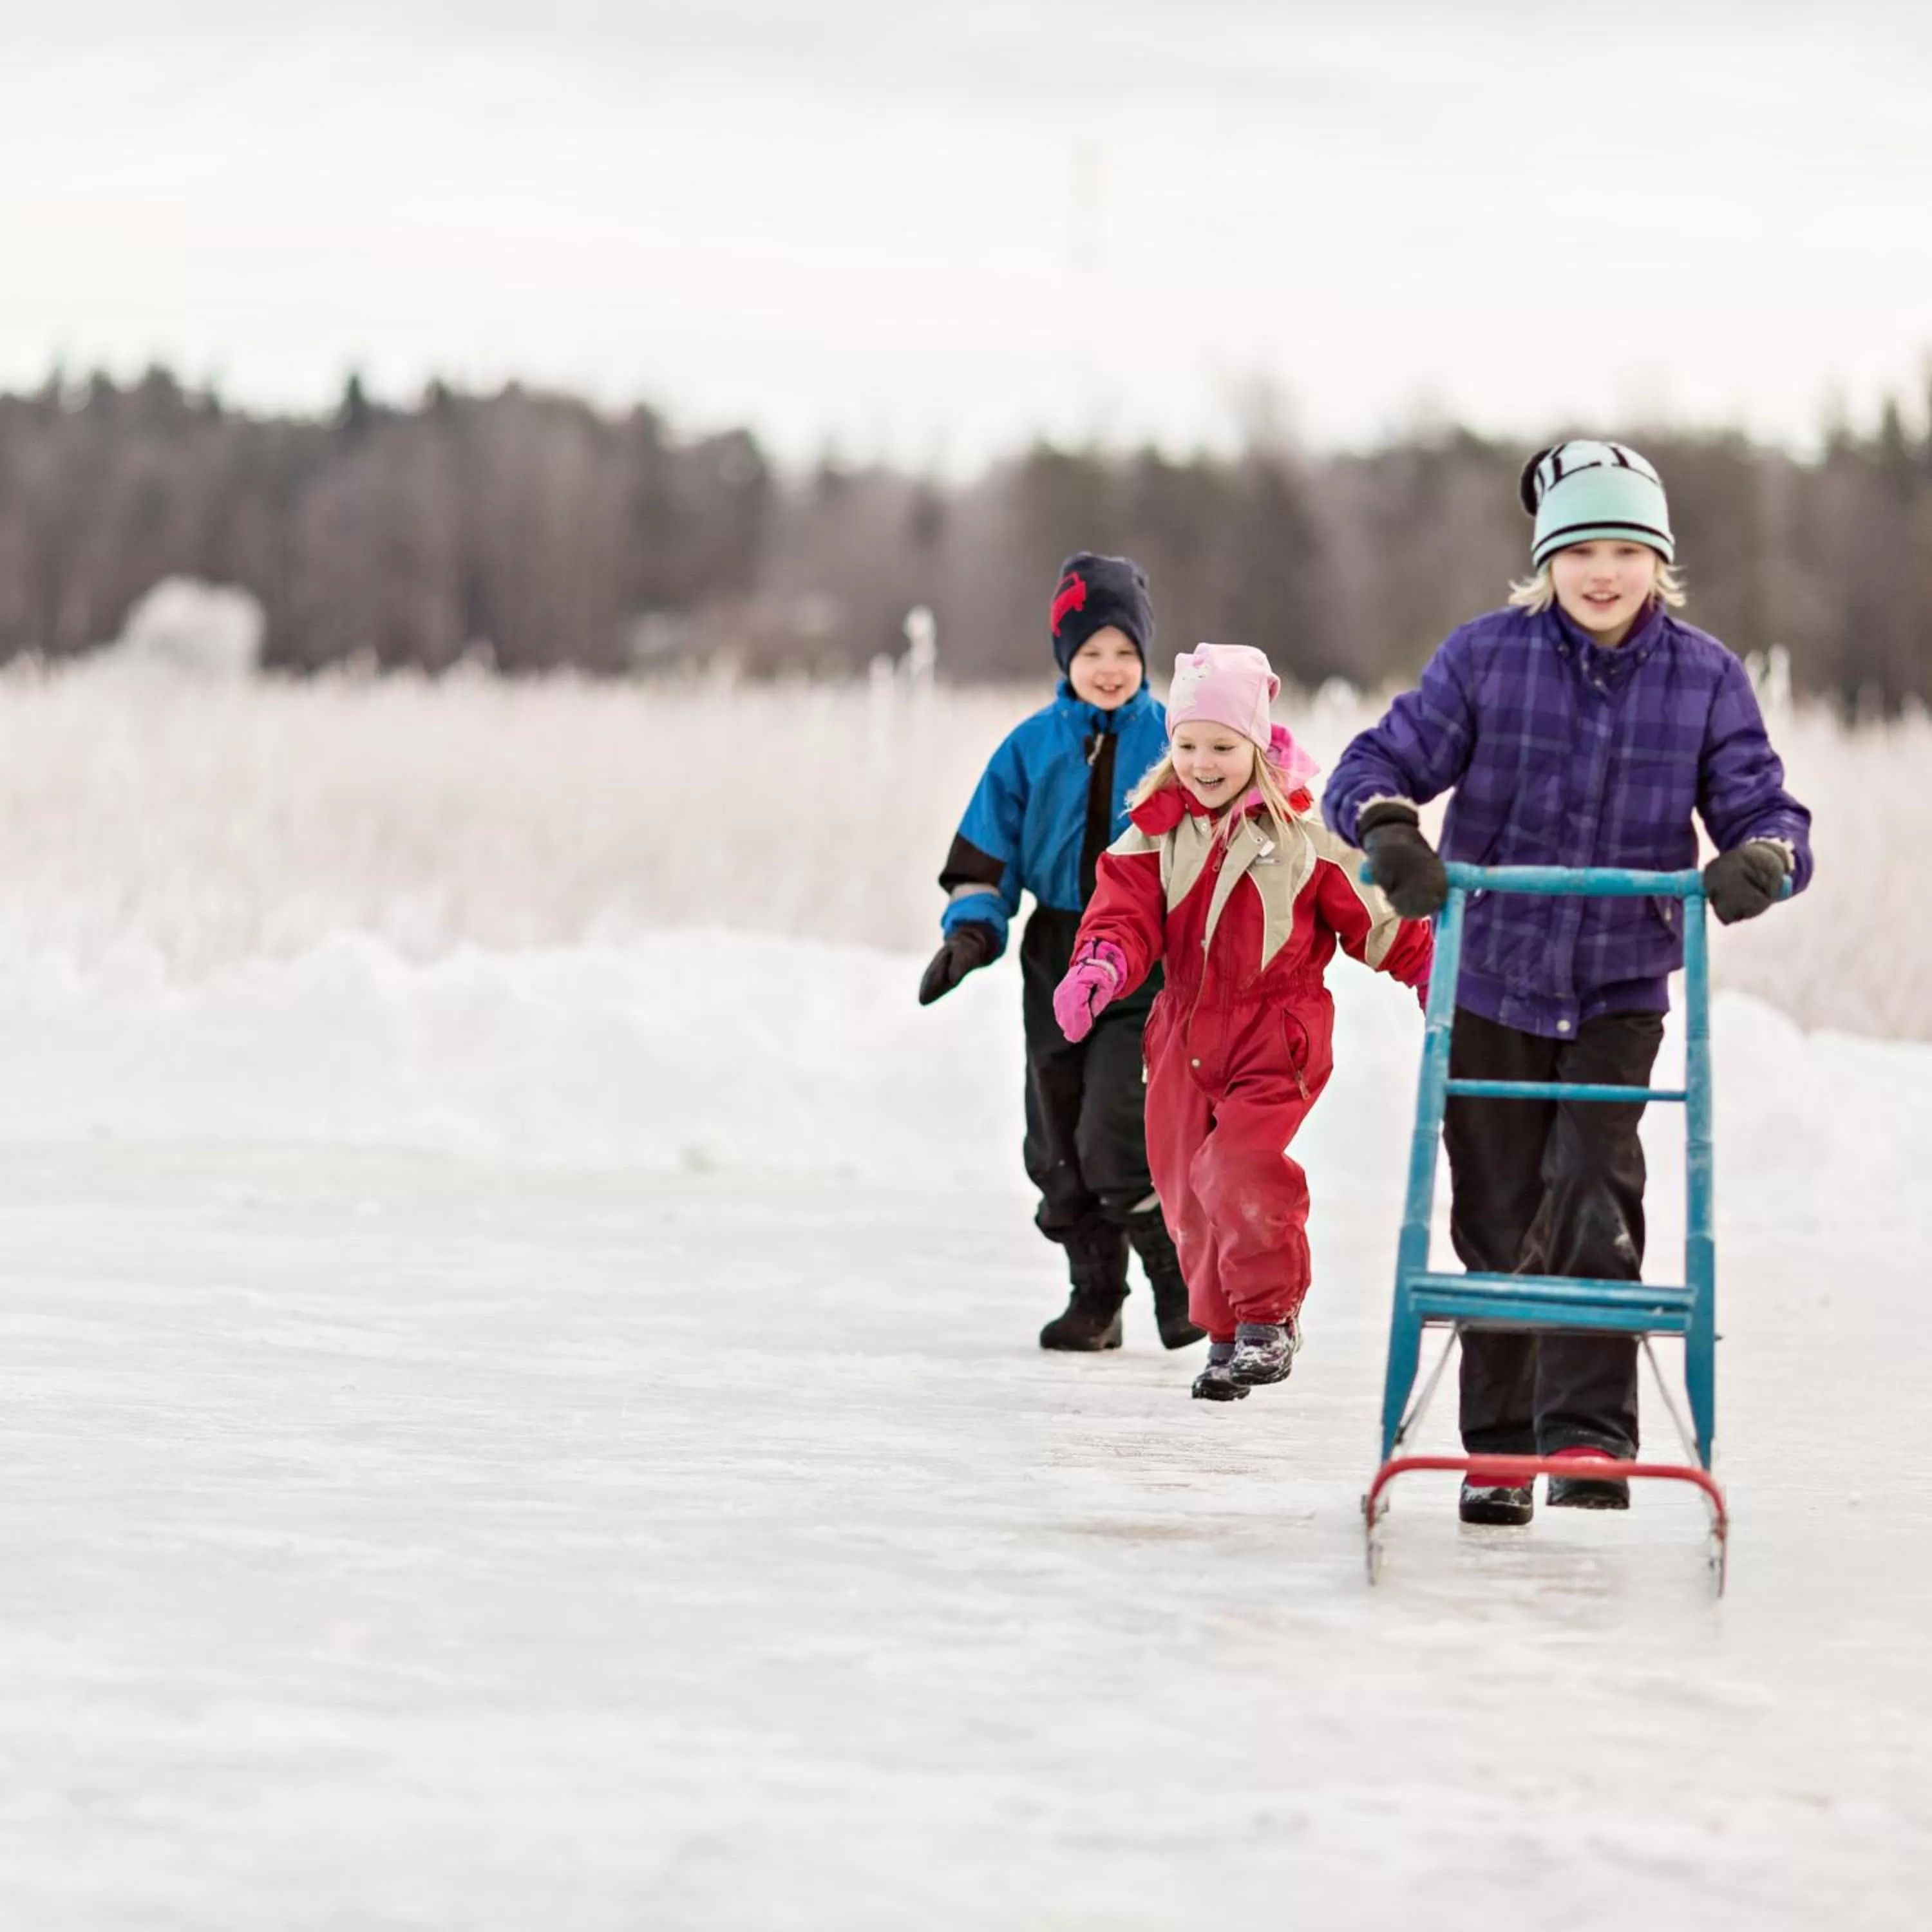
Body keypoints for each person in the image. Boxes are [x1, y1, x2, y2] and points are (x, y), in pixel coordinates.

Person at [1323, 439, 1813, 1522]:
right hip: (1493, 975)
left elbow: (1765, 809)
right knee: (1497, 1210)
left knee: (1597, 1192)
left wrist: (1762, 858)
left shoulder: (1704, 677)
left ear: (1659, 561)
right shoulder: (1487, 658)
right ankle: (1499, 1449)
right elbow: (1373, 766)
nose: (1603, 571)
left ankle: (1589, 1434)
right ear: (1545, 558)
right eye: (1580, 548)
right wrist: (1391, 828)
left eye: (1627, 549)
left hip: (1620, 984)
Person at [1050, 642, 1432, 1400]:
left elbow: (1379, 920)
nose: (1203, 763)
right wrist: (1099, 965)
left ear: (1255, 746)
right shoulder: (1152, 831)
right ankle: (1225, 1336)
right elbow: (1122, 918)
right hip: (1183, 1035)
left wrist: (1432, 973)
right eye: (1188, 745)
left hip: (1275, 1036)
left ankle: (1268, 1318)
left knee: (1239, 1171)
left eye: (1223, 747)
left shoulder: (1304, 838)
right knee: (1185, 1191)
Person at [920, 553, 1203, 1352]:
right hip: (1055, 949)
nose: (1108, 670)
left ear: (1145, 657)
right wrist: (972, 932)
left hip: (1146, 954)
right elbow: (984, 857)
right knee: (1055, 1141)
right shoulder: (1031, 746)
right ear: (1064, 660)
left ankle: (1174, 1283)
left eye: (1123, 652)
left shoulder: (1175, 742)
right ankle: (1095, 1297)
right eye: (1090, 654)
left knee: (1117, 1134)